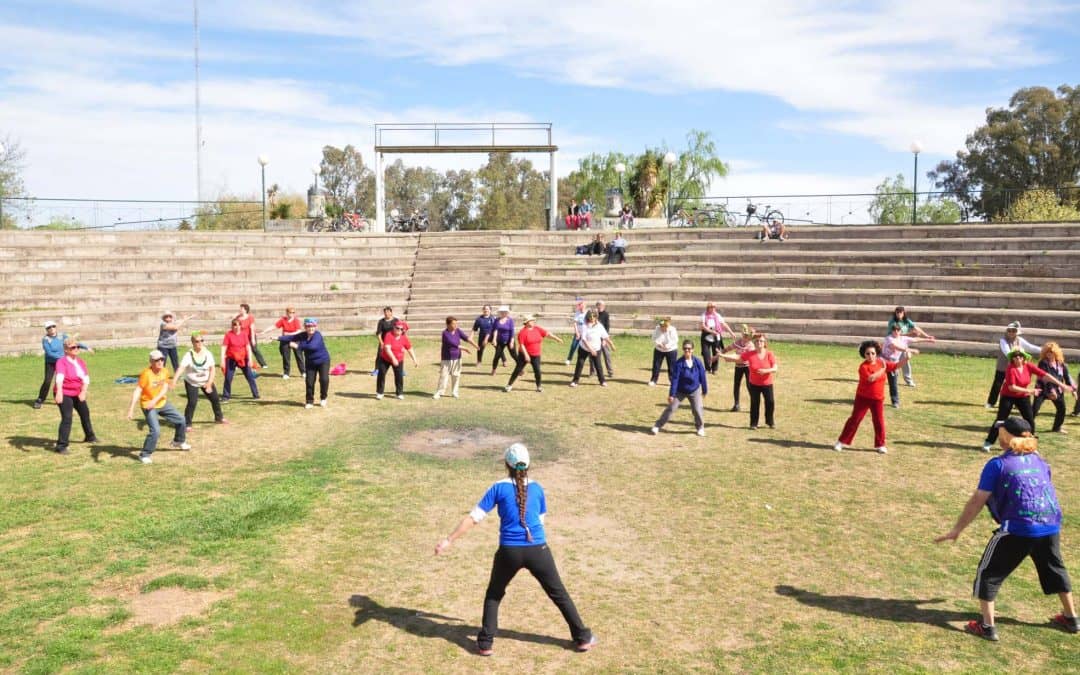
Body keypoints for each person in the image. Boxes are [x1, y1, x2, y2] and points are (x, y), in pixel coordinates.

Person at [434, 444, 597, 656]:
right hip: (538, 550)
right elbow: (540, 521)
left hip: (508, 552)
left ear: (506, 464)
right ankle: (583, 638)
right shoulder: (538, 488)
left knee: (494, 594)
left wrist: (448, 540)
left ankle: (485, 643)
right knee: (559, 594)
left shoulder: (498, 488)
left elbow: (474, 518)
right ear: (528, 465)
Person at [935, 416, 1079, 641]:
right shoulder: (1038, 459)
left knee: (989, 573)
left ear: (1006, 437)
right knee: (1055, 568)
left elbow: (978, 500)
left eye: (1001, 432)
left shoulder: (997, 465)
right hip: (1049, 524)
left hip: (1018, 528)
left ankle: (987, 626)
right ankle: (1071, 618)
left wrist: (957, 529)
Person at [982, 349, 1072, 452]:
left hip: (1023, 396)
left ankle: (1031, 445)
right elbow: (1012, 387)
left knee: (1030, 421)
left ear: (1024, 358)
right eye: (1015, 356)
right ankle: (988, 442)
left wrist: (1061, 384)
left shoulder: (1028, 366)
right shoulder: (1011, 368)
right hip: (1008, 396)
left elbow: (1045, 375)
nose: (1018, 358)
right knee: (1001, 419)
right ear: (1012, 359)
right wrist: (1030, 391)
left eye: (1020, 356)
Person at [833, 340, 911, 454]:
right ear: (864, 355)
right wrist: (883, 369)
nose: (870, 356)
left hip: (878, 399)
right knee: (855, 420)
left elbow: (895, 366)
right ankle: (841, 442)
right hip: (863, 398)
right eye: (868, 353)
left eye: (873, 353)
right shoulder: (863, 367)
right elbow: (871, 378)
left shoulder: (881, 362)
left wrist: (906, 359)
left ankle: (881, 445)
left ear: (876, 353)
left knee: (879, 421)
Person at [127, 350, 190, 464]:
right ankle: (144, 455)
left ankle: (178, 441)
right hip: (148, 405)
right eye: (157, 360)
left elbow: (165, 388)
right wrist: (131, 409)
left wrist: (155, 400)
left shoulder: (164, 371)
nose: (160, 362)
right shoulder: (146, 374)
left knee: (181, 420)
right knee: (155, 430)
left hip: (161, 403)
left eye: (162, 359)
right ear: (151, 362)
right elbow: (138, 390)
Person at [720, 332, 777, 429]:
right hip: (754, 384)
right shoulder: (750, 354)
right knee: (754, 403)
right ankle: (753, 424)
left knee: (770, 402)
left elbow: (775, 368)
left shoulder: (769, 354)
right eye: (757, 341)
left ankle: (770, 421)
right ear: (754, 343)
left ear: (764, 343)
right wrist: (723, 356)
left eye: (761, 341)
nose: (759, 343)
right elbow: (738, 358)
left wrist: (766, 371)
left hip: (767, 383)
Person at [651, 340, 708, 436]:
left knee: (697, 409)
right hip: (680, 390)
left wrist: (705, 390)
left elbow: (702, 376)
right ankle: (657, 426)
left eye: (689, 348)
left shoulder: (698, 362)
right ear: (683, 349)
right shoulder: (679, 363)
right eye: (685, 348)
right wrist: (672, 395)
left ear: (693, 350)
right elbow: (675, 380)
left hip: (694, 390)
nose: (687, 350)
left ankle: (700, 427)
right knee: (671, 408)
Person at [53, 336, 97, 455]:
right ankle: (61, 446)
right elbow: (60, 377)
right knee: (67, 417)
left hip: (77, 391)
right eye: (73, 347)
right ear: (66, 350)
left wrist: (83, 391)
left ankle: (90, 436)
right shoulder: (61, 361)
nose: (76, 349)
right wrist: (59, 392)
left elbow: (86, 378)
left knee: (85, 413)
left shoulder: (80, 362)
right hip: (64, 391)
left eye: (77, 347)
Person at [172, 331, 226, 429]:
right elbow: (181, 368)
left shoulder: (208, 354)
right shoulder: (188, 355)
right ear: (192, 342)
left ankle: (219, 418)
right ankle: (187, 424)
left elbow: (212, 369)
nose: (200, 343)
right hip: (192, 382)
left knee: (215, 399)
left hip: (206, 380)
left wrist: (209, 383)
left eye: (201, 340)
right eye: (197, 341)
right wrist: (174, 381)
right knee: (192, 402)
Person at [35, 321, 92, 409]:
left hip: (62, 362)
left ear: (56, 327)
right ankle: (40, 399)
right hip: (51, 363)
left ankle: (61, 397)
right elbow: (49, 353)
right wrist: (61, 358)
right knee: (47, 381)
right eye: (49, 327)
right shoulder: (46, 339)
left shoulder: (62, 336)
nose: (52, 328)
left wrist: (86, 347)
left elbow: (72, 343)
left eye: (53, 326)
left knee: (62, 380)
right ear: (46, 329)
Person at [986, 322, 1040, 409]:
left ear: (1017, 332)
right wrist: (1017, 357)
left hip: (1015, 368)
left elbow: (1031, 347)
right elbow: (1007, 352)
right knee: (997, 384)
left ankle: (1017, 403)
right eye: (1009, 330)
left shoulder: (1020, 340)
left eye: (1013, 331)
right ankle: (991, 402)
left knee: (1017, 385)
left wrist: (1044, 350)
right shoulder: (1003, 340)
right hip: (1003, 367)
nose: (1011, 332)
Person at [281, 318, 331, 408]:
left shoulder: (317, 335)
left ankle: (323, 398)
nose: (311, 328)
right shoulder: (303, 335)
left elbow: (312, 346)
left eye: (313, 326)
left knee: (324, 379)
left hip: (323, 361)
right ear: (305, 327)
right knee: (309, 382)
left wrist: (297, 346)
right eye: (308, 326)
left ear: (315, 327)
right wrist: (278, 338)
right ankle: (309, 401)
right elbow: (291, 337)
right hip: (310, 362)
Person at [505, 314, 563, 393]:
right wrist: (526, 355)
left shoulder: (537, 329)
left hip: (536, 355)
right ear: (526, 322)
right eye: (531, 320)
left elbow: (547, 334)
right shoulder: (522, 332)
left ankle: (539, 386)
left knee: (537, 371)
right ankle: (509, 385)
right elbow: (522, 345)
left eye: (533, 320)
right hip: (523, 355)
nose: (533, 321)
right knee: (518, 370)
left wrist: (557, 339)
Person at [881, 322, 932, 408]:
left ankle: (895, 402)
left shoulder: (903, 338)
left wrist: (928, 339)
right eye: (894, 330)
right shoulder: (889, 338)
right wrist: (911, 350)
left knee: (893, 383)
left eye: (898, 330)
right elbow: (895, 347)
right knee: (876, 380)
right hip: (883, 362)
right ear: (891, 331)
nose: (896, 332)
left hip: (893, 363)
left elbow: (915, 339)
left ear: (900, 331)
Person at [1032, 342, 1075, 434]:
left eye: (1051, 352)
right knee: (1034, 409)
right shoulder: (1043, 363)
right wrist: (1051, 390)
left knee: (1062, 409)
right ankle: (1026, 426)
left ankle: (1057, 427)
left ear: (1056, 352)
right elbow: (1046, 377)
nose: (1049, 354)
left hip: (1058, 390)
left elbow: (1067, 377)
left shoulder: (1061, 364)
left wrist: (1073, 390)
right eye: (1047, 352)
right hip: (1042, 389)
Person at [887, 306, 935, 387]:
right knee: (894, 362)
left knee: (905, 361)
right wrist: (911, 334)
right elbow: (896, 334)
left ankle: (908, 380)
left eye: (900, 312)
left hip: (903, 343)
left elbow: (916, 328)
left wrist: (927, 336)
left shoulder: (906, 320)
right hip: (894, 344)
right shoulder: (893, 322)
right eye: (897, 312)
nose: (899, 314)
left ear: (903, 313)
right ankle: (893, 380)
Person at [434, 317, 478, 399]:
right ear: (448, 324)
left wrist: (475, 345)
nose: (455, 325)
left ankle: (454, 392)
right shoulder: (445, 333)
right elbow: (453, 343)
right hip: (446, 358)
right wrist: (465, 348)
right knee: (444, 376)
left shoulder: (458, 331)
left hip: (457, 357)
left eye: (456, 323)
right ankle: (439, 392)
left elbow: (466, 338)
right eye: (453, 324)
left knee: (456, 375)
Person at [569, 311, 613, 388]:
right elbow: (584, 339)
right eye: (590, 317)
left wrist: (611, 344)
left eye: (593, 316)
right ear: (587, 317)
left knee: (598, 365)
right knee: (580, 364)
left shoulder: (599, 326)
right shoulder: (585, 325)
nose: (592, 318)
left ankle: (602, 381)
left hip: (596, 348)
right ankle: (575, 381)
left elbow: (605, 336)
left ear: (596, 317)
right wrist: (591, 350)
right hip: (584, 348)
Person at [377, 322, 418, 400]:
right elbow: (387, 348)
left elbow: (409, 349)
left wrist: (414, 360)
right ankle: (380, 392)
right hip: (385, 358)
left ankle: (399, 393)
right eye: (397, 328)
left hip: (399, 359)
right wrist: (393, 359)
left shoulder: (404, 338)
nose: (399, 330)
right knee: (381, 373)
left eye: (401, 329)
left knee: (399, 376)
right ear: (394, 327)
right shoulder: (389, 335)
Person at [220, 318, 259, 401]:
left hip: (243, 358)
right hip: (231, 358)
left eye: (238, 325)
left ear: (240, 326)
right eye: (234, 325)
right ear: (232, 326)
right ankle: (226, 396)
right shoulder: (228, 335)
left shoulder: (244, 334)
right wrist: (222, 360)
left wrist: (250, 359)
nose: (237, 327)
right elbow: (224, 347)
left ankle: (256, 394)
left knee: (250, 376)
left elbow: (248, 347)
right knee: (228, 377)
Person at [262, 306, 305, 379]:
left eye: (293, 312)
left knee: (299, 356)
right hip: (285, 340)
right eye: (290, 312)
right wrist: (265, 331)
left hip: (295, 339)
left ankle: (303, 372)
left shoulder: (296, 320)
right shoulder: (283, 320)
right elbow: (274, 326)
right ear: (287, 313)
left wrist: (288, 334)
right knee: (286, 357)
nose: (292, 314)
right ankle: (286, 373)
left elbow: (298, 331)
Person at [722, 324, 754, 412]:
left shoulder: (751, 345)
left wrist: (729, 358)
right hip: (738, 366)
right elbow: (729, 348)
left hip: (747, 367)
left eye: (747, 336)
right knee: (736, 385)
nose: (745, 337)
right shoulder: (738, 342)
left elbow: (744, 358)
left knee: (749, 385)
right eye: (744, 335)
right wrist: (721, 352)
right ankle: (736, 405)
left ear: (749, 337)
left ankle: (754, 404)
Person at [700, 302, 736, 375]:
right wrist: (711, 331)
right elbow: (703, 326)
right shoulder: (704, 315)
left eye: (714, 307)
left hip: (716, 336)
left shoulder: (718, 315)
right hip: (706, 335)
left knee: (716, 352)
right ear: (708, 308)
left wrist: (731, 333)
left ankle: (714, 369)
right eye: (711, 307)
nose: (713, 308)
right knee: (706, 353)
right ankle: (708, 368)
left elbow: (724, 324)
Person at [235, 303, 268, 369]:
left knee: (254, 350)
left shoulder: (250, 317)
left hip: (250, 336)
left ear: (245, 310)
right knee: (240, 351)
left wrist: (252, 339)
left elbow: (252, 328)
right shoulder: (238, 318)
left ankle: (263, 364)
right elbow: (236, 327)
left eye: (241, 308)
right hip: (242, 337)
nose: (240, 310)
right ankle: (239, 364)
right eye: (240, 308)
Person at [649, 316, 679, 386]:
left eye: (664, 327)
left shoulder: (672, 329)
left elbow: (675, 340)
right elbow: (653, 338)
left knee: (672, 367)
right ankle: (653, 380)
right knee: (656, 366)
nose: (663, 328)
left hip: (671, 350)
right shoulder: (657, 328)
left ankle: (672, 381)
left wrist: (667, 346)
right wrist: (658, 344)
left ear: (667, 326)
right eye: (661, 326)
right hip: (659, 350)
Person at [372, 306, 400, 375]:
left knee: (397, 354)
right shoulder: (381, 322)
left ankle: (400, 369)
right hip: (384, 341)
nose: (386, 313)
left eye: (388, 312)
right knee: (380, 355)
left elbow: (400, 330)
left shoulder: (396, 320)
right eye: (385, 312)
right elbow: (378, 333)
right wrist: (381, 342)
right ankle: (377, 369)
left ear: (391, 312)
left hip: (394, 341)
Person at [489, 306, 515, 375]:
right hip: (500, 341)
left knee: (514, 355)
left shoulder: (510, 320)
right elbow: (495, 330)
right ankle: (494, 370)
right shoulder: (496, 320)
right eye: (502, 312)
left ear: (507, 313)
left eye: (505, 312)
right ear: (500, 313)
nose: (503, 313)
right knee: (497, 356)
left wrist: (511, 342)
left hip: (509, 340)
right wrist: (494, 339)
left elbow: (512, 331)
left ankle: (520, 369)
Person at [592, 301, 614, 378]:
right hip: (595, 338)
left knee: (607, 355)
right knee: (593, 355)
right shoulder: (594, 314)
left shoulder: (606, 314)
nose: (599, 307)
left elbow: (607, 327)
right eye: (598, 305)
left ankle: (610, 371)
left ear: (604, 306)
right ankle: (593, 372)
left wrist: (605, 339)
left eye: (601, 306)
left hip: (604, 337)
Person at [564, 297, 587, 365]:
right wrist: (577, 332)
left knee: (587, 347)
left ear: (584, 305)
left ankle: (592, 361)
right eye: (579, 305)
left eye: (581, 305)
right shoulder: (577, 313)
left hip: (586, 333)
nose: (579, 306)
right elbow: (575, 323)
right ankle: (569, 359)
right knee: (573, 346)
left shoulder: (588, 313)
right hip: (578, 333)